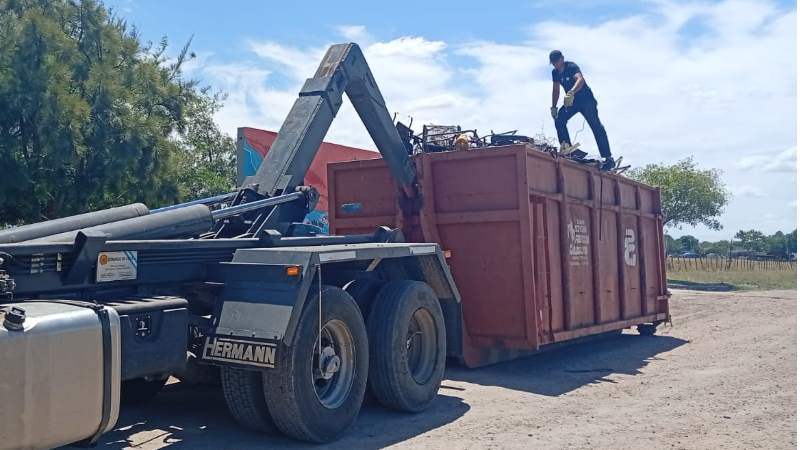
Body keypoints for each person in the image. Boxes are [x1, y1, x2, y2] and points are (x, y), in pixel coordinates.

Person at [549, 50, 615, 170]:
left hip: (586, 101)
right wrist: (553, 106)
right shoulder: (555, 72)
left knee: (596, 126)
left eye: (556, 62)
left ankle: (608, 158)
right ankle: (568, 150)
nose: (555, 65)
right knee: (559, 119)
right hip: (572, 103)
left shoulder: (571, 66)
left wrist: (571, 92)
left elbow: (580, 80)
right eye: (553, 63)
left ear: (562, 58)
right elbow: (556, 90)